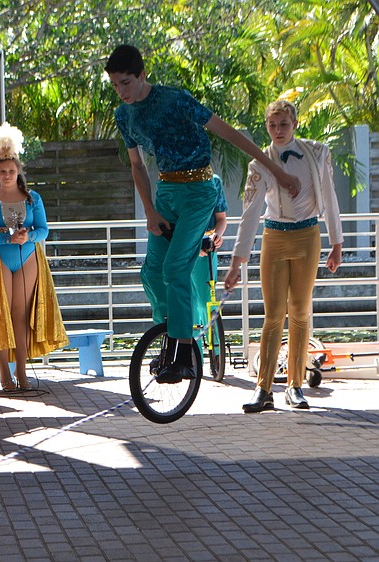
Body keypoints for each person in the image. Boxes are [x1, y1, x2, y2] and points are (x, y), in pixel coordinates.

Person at [104, 44, 300, 383]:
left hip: (198, 191)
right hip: (165, 192)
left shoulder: (175, 99)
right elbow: (136, 165)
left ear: (141, 75)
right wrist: (149, 211)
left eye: (125, 83)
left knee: (175, 268)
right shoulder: (124, 116)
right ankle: (170, 340)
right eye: (115, 85)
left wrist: (278, 172)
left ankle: (184, 355)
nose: (121, 92)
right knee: (152, 272)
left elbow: (230, 134)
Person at [224, 100, 343, 412]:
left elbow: (329, 196)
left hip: (307, 236)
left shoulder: (317, 152)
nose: (278, 130)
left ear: (294, 124)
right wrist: (237, 262)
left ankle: (295, 385)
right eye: (272, 125)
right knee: (274, 313)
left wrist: (337, 242)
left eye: (283, 124)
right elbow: (250, 214)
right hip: (274, 237)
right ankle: (263, 388)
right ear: (267, 127)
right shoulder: (260, 163)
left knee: (301, 311)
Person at [0, 123, 67, 390]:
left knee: (21, 314)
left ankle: (22, 370)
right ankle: (4, 371)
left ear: (18, 172)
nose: (7, 175)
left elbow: (44, 230)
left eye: (12, 171)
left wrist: (29, 236)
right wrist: (6, 238)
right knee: (1, 313)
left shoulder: (32, 199)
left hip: (28, 257)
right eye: (3, 171)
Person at [191, 174, 228, 359]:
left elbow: (221, 219)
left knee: (207, 299)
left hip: (207, 249)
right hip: (184, 247)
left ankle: (216, 354)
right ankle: (193, 356)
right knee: (188, 303)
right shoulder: (174, 181)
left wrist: (217, 236)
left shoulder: (214, 181)